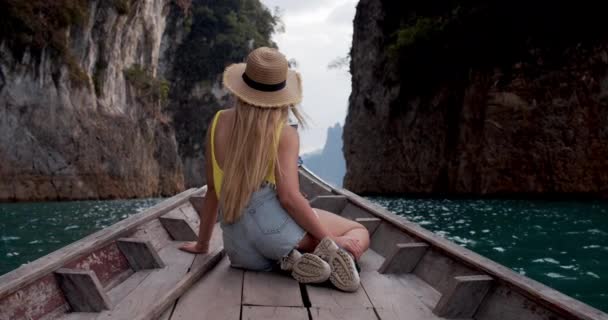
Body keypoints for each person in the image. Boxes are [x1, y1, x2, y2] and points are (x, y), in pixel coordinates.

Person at [179, 47, 370, 292]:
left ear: (242, 88)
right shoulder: (284, 133)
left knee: (277, 241)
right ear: (281, 95)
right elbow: (289, 198)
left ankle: (289, 261)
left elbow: (213, 192)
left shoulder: (218, 122)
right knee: (358, 230)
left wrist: (202, 244)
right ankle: (324, 255)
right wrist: (331, 239)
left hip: (238, 249)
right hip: (275, 231)